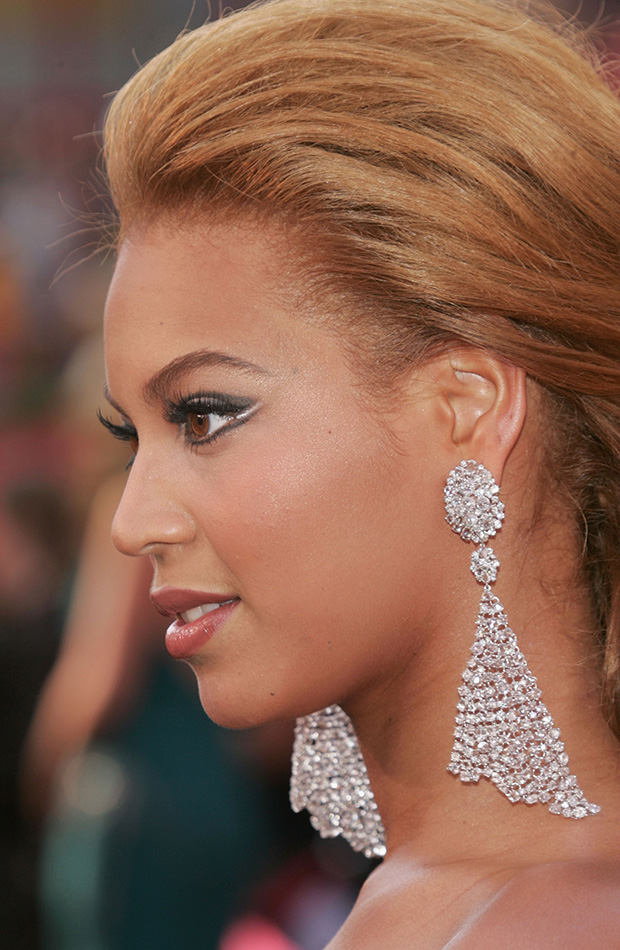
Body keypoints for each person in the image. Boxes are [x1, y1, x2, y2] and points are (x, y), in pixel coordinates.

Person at [99, 0, 620, 946]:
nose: (132, 522)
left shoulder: (560, 920)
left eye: (204, 416)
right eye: (129, 436)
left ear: (466, 406)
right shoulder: (438, 897)